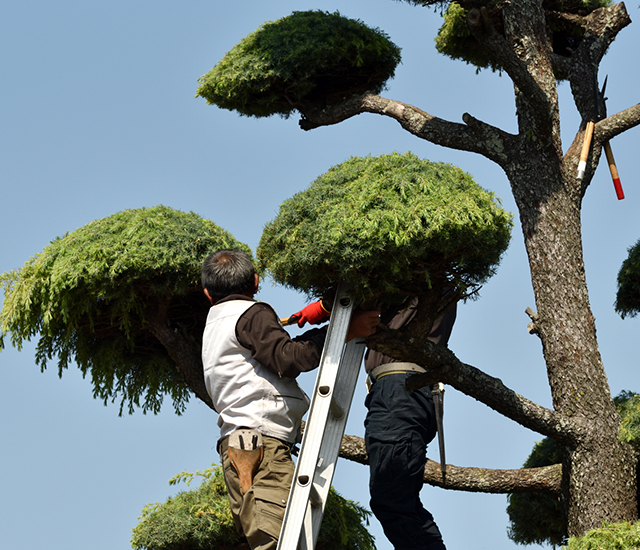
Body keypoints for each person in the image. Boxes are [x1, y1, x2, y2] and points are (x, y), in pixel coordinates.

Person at [201, 249, 379, 550]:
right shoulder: (252, 314)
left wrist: (316, 317)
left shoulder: (215, 323)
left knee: (267, 539)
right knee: (278, 543)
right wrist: (342, 331)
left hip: (242, 445)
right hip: (261, 444)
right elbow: (287, 358)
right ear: (256, 282)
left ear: (207, 293)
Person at [363, 297, 456, 550]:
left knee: (391, 502)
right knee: (404, 501)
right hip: (410, 393)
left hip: (398, 392)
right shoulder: (431, 281)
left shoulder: (414, 279)